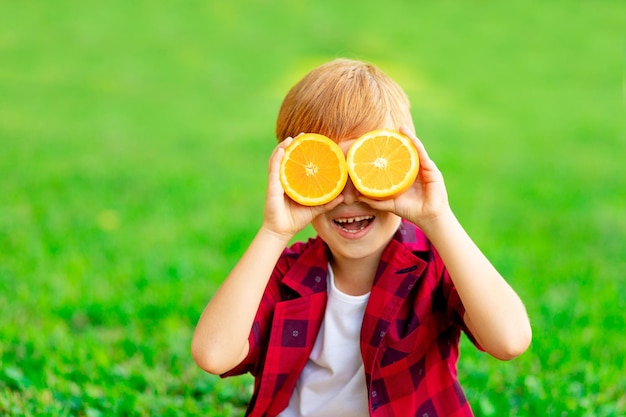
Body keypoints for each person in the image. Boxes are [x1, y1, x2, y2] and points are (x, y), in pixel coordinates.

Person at [191, 58, 532, 416]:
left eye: (368, 168)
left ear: (405, 163)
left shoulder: (433, 266)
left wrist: (438, 217)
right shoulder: (286, 272)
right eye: (328, 171)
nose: (349, 195)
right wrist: (274, 232)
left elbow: (509, 340)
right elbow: (213, 354)